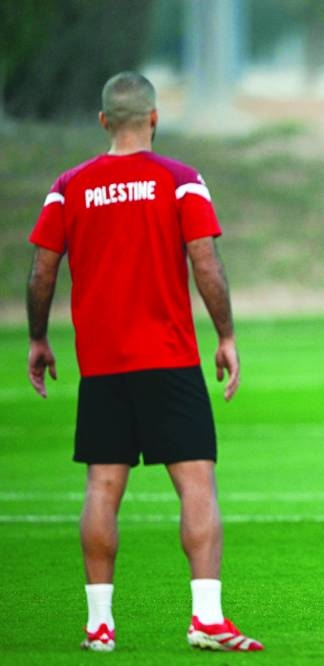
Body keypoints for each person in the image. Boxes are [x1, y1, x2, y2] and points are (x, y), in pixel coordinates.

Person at [26, 71, 263, 652]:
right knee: (197, 485)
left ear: (104, 122)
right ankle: (206, 618)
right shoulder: (180, 181)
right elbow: (205, 263)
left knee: (102, 488)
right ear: (153, 118)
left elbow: (42, 270)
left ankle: (99, 624)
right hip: (169, 360)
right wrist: (226, 334)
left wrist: (38, 338)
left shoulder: (68, 186)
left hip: (103, 367)